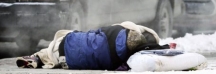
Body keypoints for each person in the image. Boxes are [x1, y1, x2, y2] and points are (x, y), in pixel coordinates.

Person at [16, 21, 167, 70]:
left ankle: (37, 57)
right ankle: (42, 58)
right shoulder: (124, 60)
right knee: (58, 53)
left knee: (65, 42)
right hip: (69, 62)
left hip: (68, 44)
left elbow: (94, 32)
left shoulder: (117, 29)